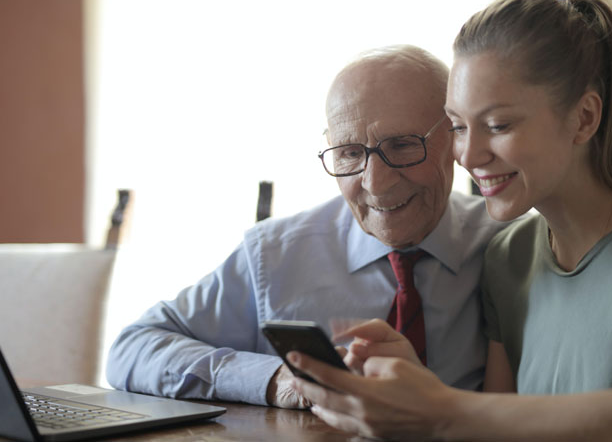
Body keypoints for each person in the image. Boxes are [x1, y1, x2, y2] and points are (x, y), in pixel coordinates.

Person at [290, 0, 612, 440]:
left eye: (498, 125)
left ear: (584, 118)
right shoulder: (508, 255)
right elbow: (493, 429)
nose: (467, 154)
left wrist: (441, 407)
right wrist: (419, 391)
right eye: (459, 126)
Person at [105, 45, 509, 408]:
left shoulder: (512, 249)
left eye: (402, 146)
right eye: (350, 153)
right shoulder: (275, 255)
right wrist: (274, 379)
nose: (375, 182)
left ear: (456, 137)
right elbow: (132, 348)